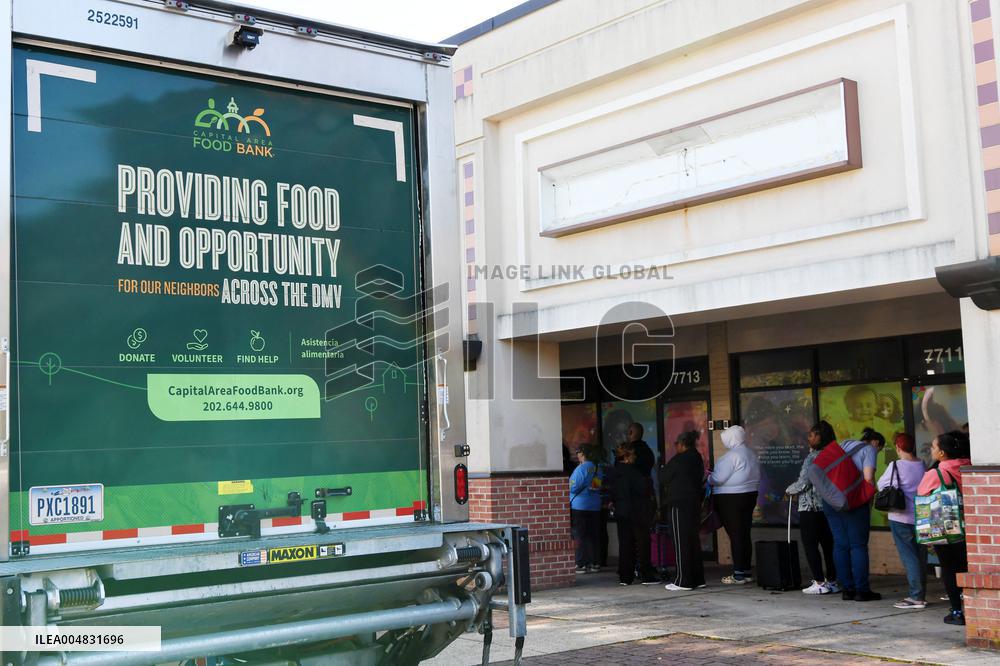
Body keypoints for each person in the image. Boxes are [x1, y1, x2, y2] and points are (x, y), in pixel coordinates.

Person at [817, 422, 883, 601]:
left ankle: (847, 589)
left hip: (830, 501)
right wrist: (870, 497)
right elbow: (868, 478)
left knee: (840, 544)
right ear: (875, 443)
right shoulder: (869, 450)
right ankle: (862, 590)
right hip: (853, 502)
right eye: (880, 449)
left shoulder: (843, 444)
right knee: (858, 545)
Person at [918, 430, 972, 625]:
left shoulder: (936, 472)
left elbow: (922, 494)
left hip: (948, 527)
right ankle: (975, 607)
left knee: (949, 568)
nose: (932, 450)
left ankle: (957, 612)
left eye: (933, 447)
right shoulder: (969, 466)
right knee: (968, 567)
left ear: (942, 453)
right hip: (972, 527)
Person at [877, 433, 928, 609]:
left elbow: (881, 485)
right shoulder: (922, 464)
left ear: (898, 448)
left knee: (909, 557)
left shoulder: (895, 465)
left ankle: (916, 596)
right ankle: (921, 593)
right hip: (921, 516)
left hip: (900, 516)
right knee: (921, 555)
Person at [785, 427, 838, 594]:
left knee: (810, 544)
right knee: (828, 545)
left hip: (810, 507)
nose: (808, 438)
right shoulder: (833, 455)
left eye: (812, 435)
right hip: (828, 506)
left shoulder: (812, 457)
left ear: (820, 437)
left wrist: (788, 491)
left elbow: (804, 482)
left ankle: (819, 582)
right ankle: (833, 581)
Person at [708, 425, 761, 584]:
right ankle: (745, 570)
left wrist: (709, 477)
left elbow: (718, 478)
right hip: (750, 495)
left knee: (735, 535)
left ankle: (738, 574)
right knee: (744, 533)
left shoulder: (731, 456)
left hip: (730, 498)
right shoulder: (751, 453)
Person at [659, 430, 706, 591]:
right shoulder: (697, 458)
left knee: (681, 542)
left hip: (679, 504)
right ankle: (698, 578)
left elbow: (663, 477)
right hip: (694, 504)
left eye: (676, 444)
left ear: (682, 444)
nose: (675, 447)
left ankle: (683, 580)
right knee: (692, 541)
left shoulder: (680, 459)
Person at [609, 441, 658, 586]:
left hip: (621, 511)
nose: (635, 457)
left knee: (625, 544)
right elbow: (643, 490)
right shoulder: (634, 472)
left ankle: (625, 576)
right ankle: (646, 575)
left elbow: (614, 492)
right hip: (637, 511)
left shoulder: (615, 472)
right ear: (629, 455)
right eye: (634, 454)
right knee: (643, 543)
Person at [569, 448, 602, 574]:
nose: (577, 455)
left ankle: (581, 564)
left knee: (580, 535)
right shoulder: (597, 468)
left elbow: (572, 487)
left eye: (578, 453)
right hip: (594, 506)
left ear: (582, 454)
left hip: (580, 506)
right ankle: (595, 563)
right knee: (593, 535)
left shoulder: (580, 469)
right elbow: (596, 486)